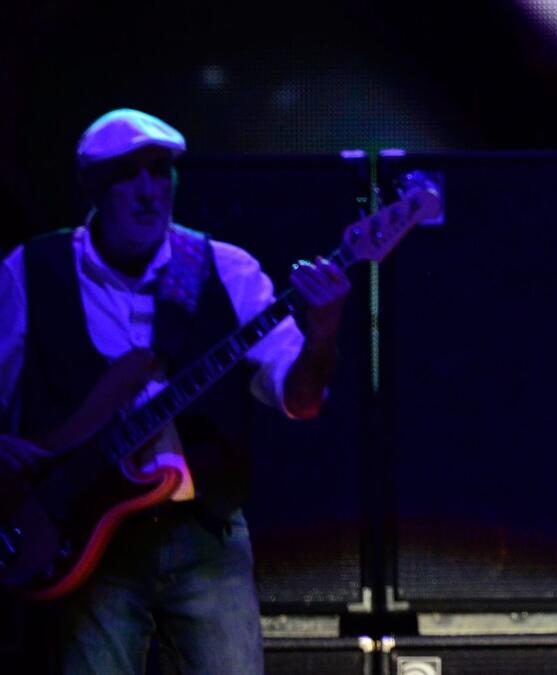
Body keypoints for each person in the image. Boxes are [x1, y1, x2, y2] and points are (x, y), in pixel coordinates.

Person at [0, 108, 350, 673]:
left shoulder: (225, 269)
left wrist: (325, 332)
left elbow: (301, 400)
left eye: (160, 172)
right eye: (128, 175)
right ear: (93, 187)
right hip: (83, 541)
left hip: (206, 533)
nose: (148, 192)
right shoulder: (31, 271)